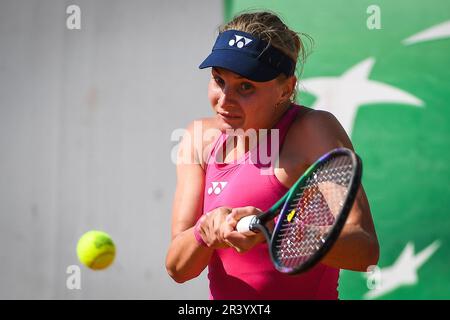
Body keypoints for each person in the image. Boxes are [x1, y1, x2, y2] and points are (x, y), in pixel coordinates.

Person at [165, 11, 379, 300]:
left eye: (245, 87)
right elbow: (178, 268)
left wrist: (277, 231)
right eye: (219, 80)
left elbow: (364, 252)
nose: (225, 100)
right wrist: (206, 232)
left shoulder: (313, 131)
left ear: (286, 89)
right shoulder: (198, 137)